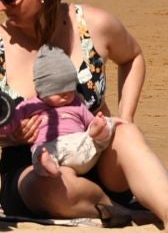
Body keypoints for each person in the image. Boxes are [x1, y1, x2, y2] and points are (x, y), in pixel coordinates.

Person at [0, 0, 168, 233]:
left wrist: (124, 118)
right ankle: (119, 210)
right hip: (34, 168)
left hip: (97, 153)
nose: (1, 6)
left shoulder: (90, 24)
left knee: (127, 132)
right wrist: (8, 135)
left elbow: (133, 56)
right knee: (52, 186)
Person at [15, 44, 117, 177]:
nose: (66, 95)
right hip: (51, 146)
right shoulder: (31, 105)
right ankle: (48, 165)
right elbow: (13, 120)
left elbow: (88, 121)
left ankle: (100, 133)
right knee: (40, 153)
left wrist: (95, 125)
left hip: (80, 144)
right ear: (41, 89)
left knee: (104, 126)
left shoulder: (76, 104)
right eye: (58, 91)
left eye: (69, 90)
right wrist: (15, 128)